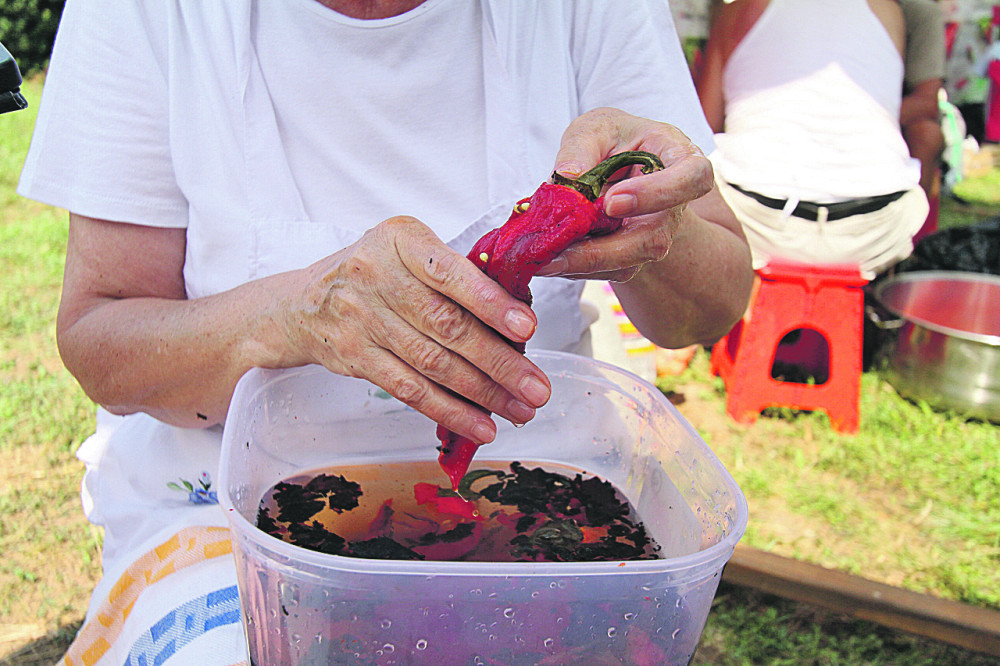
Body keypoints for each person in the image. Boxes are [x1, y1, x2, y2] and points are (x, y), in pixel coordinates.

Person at [17, 0, 753, 663]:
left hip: (547, 483)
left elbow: (709, 307)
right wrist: (290, 314)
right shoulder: (149, 14)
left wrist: (664, 225)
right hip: (220, 512)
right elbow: (101, 346)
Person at [695, 0, 930, 279]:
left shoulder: (739, 10)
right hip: (874, 229)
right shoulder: (888, 10)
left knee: (692, 175)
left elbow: (701, 129)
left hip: (756, 223)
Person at [900, 0, 947, 197]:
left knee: (926, 134)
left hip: (890, 118)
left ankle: (915, 223)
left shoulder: (919, 13)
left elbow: (927, 103)